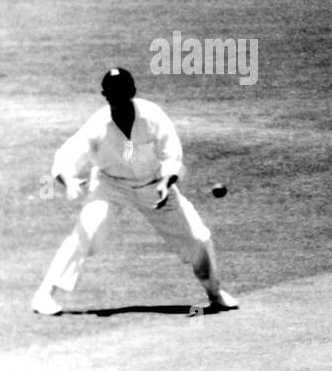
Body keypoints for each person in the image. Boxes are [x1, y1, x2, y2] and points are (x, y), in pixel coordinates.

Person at [32, 68, 238, 315]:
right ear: (104, 95)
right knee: (86, 232)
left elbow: (173, 156)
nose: (116, 99)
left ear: (132, 92)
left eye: (121, 93)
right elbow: (64, 159)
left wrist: (165, 183)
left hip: (154, 185)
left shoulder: (153, 116)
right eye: (111, 94)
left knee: (198, 237)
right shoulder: (97, 125)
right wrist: (70, 181)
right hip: (111, 186)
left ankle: (214, 293)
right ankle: (44, 294)